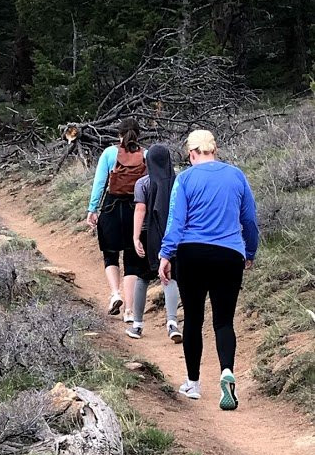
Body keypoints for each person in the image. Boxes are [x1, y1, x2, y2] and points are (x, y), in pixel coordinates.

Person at [158, 130, 259, 410]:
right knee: (224, 321)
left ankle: (193, 383)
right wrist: (250, 251)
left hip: (192, 254)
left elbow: (175, 222)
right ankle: (226, 371)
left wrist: (166, 254)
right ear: (214, 150)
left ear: (191, 153)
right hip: (229, 254)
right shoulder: (236, 175)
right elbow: (249, 219)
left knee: (193, 319)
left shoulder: (185, 179)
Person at [86, 118, 147, 319]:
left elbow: (99, 183)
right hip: (135, 210)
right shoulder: (145, 155)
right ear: (138, 134)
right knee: (132, 259)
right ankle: (129, 310)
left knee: (110, 255)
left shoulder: (109, 153)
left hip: (111, 207)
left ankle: (115, 294)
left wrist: (92, 209)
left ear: (119, 134)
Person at [127, 144, 182, 343]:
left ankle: (137, 325)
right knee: (170, 278)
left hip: (147, 235)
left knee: (143, 278)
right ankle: (172, 323)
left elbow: (140, 210)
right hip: (172, 236)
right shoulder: (178, 182)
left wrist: (135, 238)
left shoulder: (142, 183)